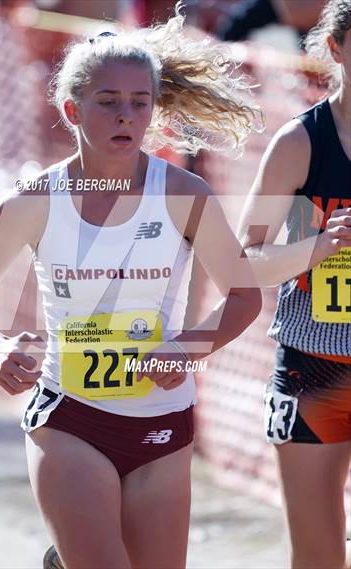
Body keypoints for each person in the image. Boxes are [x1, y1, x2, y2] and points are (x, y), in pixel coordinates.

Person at [0, 3, 262, 568]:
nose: (126, 117)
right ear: (73, 109)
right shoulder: (34, 201)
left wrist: (185, 349)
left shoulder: (185, 195)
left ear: (154, 111)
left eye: (140, 104)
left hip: (163, 421)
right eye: (108, 103)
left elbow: (245, 296)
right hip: (72, 416)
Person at [238, 1, 351, 568]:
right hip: (315, 367)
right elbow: (241, 263)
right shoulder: (301, 143)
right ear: (337, 48)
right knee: (318, 555)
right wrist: (318, 247)